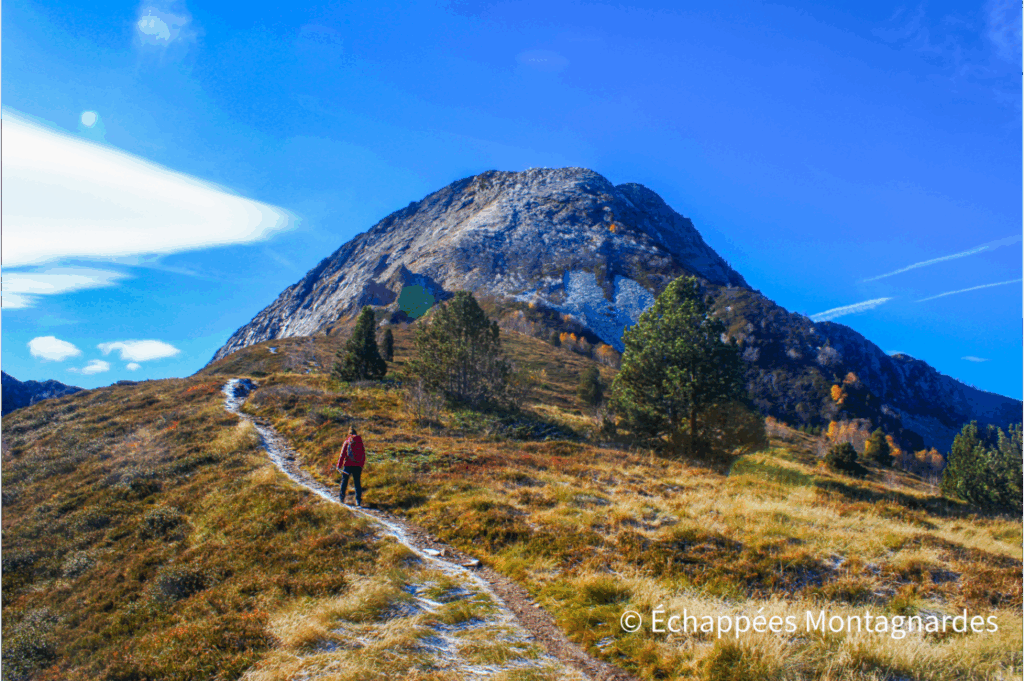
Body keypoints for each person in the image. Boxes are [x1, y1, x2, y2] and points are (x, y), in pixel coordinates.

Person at [336, 426, 366, 507]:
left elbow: (342, 455)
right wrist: (361, 464)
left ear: (349, 433)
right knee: (357, 483)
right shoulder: (360, 441)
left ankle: (342, 498)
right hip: (357, 466)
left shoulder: (347, 441)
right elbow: (363, 454)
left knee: (344, 481)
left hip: (348, 465)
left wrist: (339, 465)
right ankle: (358, 501)